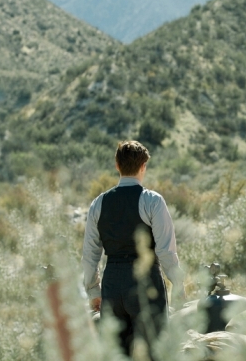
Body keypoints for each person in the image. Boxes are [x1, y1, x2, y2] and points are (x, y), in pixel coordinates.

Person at [82, 140, 186, 358]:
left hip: (112, 284)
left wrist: (93, 290)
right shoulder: (153, 201)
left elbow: (90, 254)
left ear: (117, 165)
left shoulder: (98, 204)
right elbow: (166, 251)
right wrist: (178, 283)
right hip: (145, 282)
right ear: (143, 167)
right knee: (153, 352)